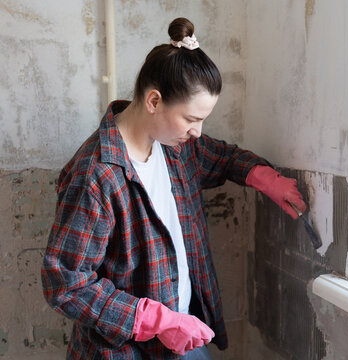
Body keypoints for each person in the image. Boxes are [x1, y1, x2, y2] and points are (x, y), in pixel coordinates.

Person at [41, 17, 306, 359]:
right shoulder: (95, 175)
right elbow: (64, 282)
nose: (197, 131)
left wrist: (263, 177)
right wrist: (154, 320)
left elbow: (223, 158)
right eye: (192, 119)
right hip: (125, 351)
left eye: (203, 120)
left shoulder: (176, 146)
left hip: (182, 336)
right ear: (154, 101)